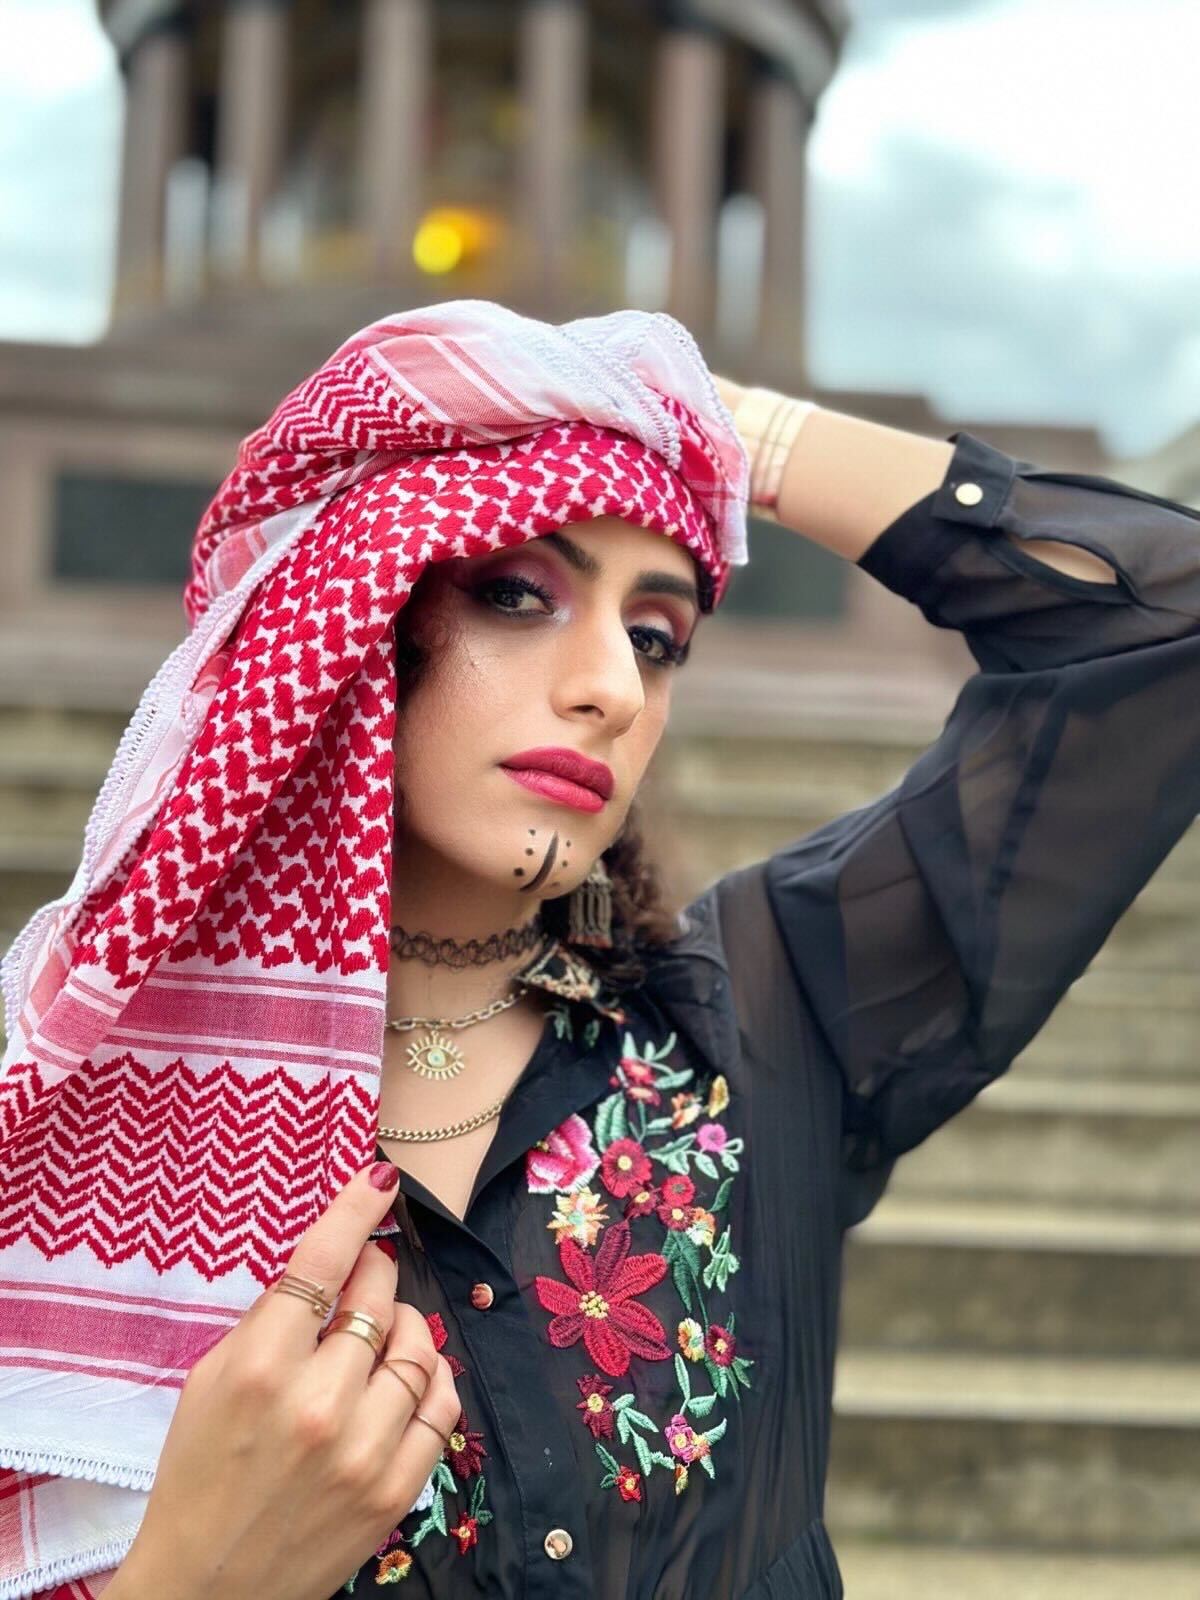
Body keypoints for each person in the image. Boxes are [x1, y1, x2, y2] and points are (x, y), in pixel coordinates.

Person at [2, 299, 1199, 1600]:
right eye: (519, 595)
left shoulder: (764, 1013)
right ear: (351, 615)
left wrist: (726, 428)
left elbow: (1160, 631)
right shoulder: (74, 1129)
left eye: (655, 638)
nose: (615, 690)